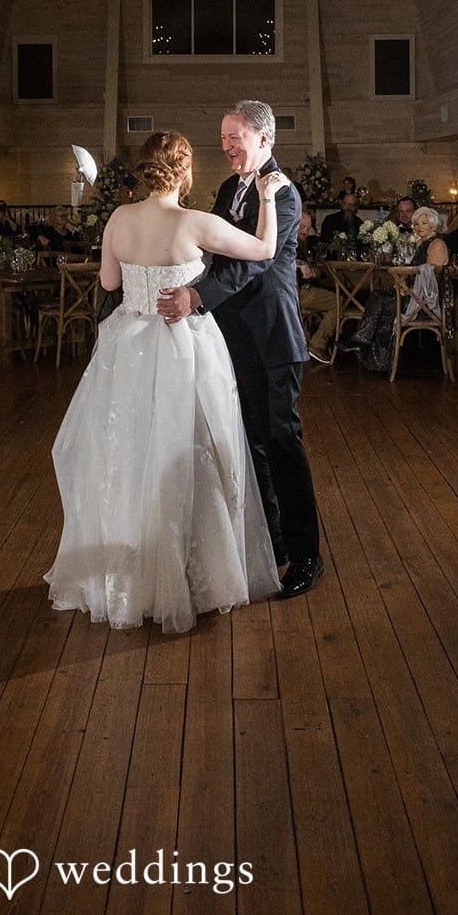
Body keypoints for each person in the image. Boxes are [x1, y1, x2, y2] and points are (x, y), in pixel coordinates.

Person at [44, 131, 285, 634]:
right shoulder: (193, 222)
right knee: (189, 450)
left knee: (127, 456)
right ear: (185, 171)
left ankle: (125, 576)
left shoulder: (118, 218)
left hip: (126, 347)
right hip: (183, 346)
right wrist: (266, 196)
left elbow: (110, 283)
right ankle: (189, 575)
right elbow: (264, 248)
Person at [157, 100, 323, 600]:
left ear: (265, 139)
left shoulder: (285, 195)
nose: (227, 147)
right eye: (225, 138)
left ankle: (307, 553)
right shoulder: (230, 187)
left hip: (273, 337)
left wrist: (197, 296)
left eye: (236, 138)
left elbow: (251, 264)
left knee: (282, 443)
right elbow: (210, 244)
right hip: (233, 337)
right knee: (250, 444)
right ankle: (270, 546)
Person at [344, 207, 448, 374]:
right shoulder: (422, 243)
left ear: (433, 226)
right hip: (413, 296)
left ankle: (364, 343)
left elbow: (430, 278)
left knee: (382, 302)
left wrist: (407, 284)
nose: (418, 227)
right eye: (416, 224)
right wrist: (403, 284)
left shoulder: (437, 244)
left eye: (424, 223)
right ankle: (375, 356)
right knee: (378, 297)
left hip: (424, 303)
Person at [295, 212, 337, 364]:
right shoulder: (289, 243)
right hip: (299, 293)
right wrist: (303, 265)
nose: (305, 231)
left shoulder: (299, 244)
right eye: (301, 227)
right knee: (339, 301)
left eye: (308, 228)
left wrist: (313, 270)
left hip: (297, 292)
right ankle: (318, 345)